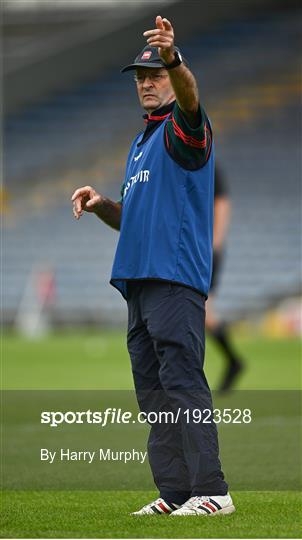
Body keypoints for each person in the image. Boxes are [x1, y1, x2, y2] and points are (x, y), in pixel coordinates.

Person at [72, 16, 235, 517]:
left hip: (174, 280)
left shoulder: (184, 130)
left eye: (154, 75)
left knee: (183, 383)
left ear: (169, 76)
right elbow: (132, 218)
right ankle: (176, 493)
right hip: (139, 285)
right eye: (140, 78)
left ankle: (214, 492)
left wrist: (173, 58)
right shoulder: (140, 143)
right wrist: (103, 205)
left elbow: (190, 97)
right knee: (154, 395)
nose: (146, 83)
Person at [207, 166, 244, 392]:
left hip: (206, 250)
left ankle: (233, 362)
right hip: (196, 249)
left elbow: (221, 202)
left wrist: (216, 245)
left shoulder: (206, 162)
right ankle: (233, 361)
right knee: (203, 314)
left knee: (201, 310)